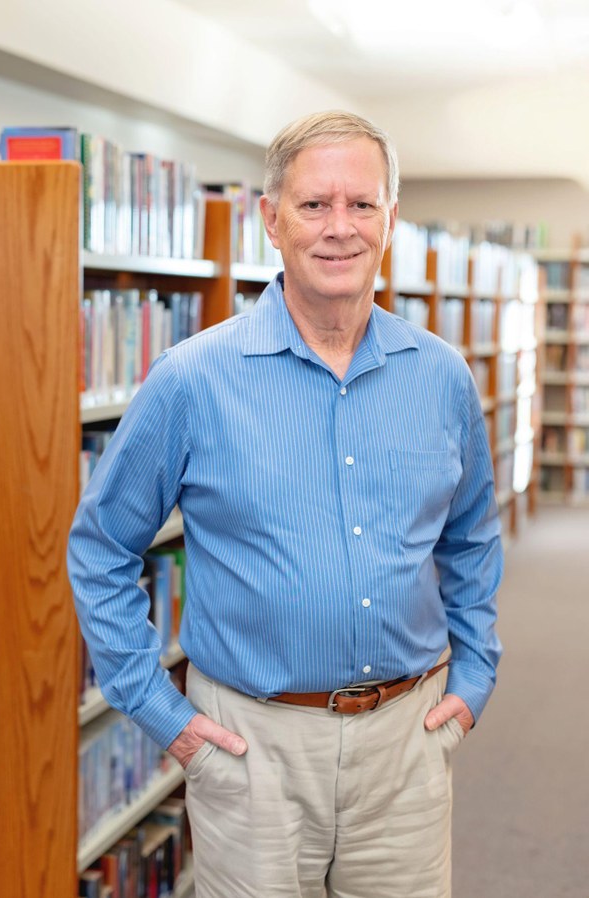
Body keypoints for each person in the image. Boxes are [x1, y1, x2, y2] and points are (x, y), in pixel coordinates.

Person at [68, 110, 503, 897]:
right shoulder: (190, 379)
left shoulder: (442, 378)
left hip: (408, 742)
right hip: (250, 747)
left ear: (391, 221)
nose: (340, 229)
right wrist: (158, 711)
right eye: (314, 205)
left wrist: (473, 680)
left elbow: (471, 538)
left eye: (362, 205)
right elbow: (100, 548)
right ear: (270, 220)